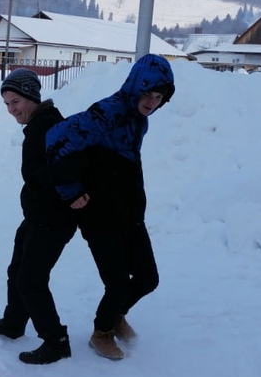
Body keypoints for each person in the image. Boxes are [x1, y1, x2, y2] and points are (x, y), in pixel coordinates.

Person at [45, 53, 174, 360]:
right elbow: (55, 138)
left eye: (159, 97)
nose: (152, 102)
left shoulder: (138, 120)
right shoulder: (108, 112)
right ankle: (101, 332)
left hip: (129, 213)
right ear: (135, 87)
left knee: (148, 278)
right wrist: (70, 190)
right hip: (100, 217)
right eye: (148, 94)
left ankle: (115, 316)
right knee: (117, 284)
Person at [0, 69, 77, 364]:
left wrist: (74, 191)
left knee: (31, 279)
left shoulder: (50, 127)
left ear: (31, 96)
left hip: (54, 218)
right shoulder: (38, 124)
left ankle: (56, 341)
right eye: (7, 104)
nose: (11, 109)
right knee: (17, 270)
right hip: (37, 214)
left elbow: (72, 164)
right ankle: (14, 323)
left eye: (16, 101)